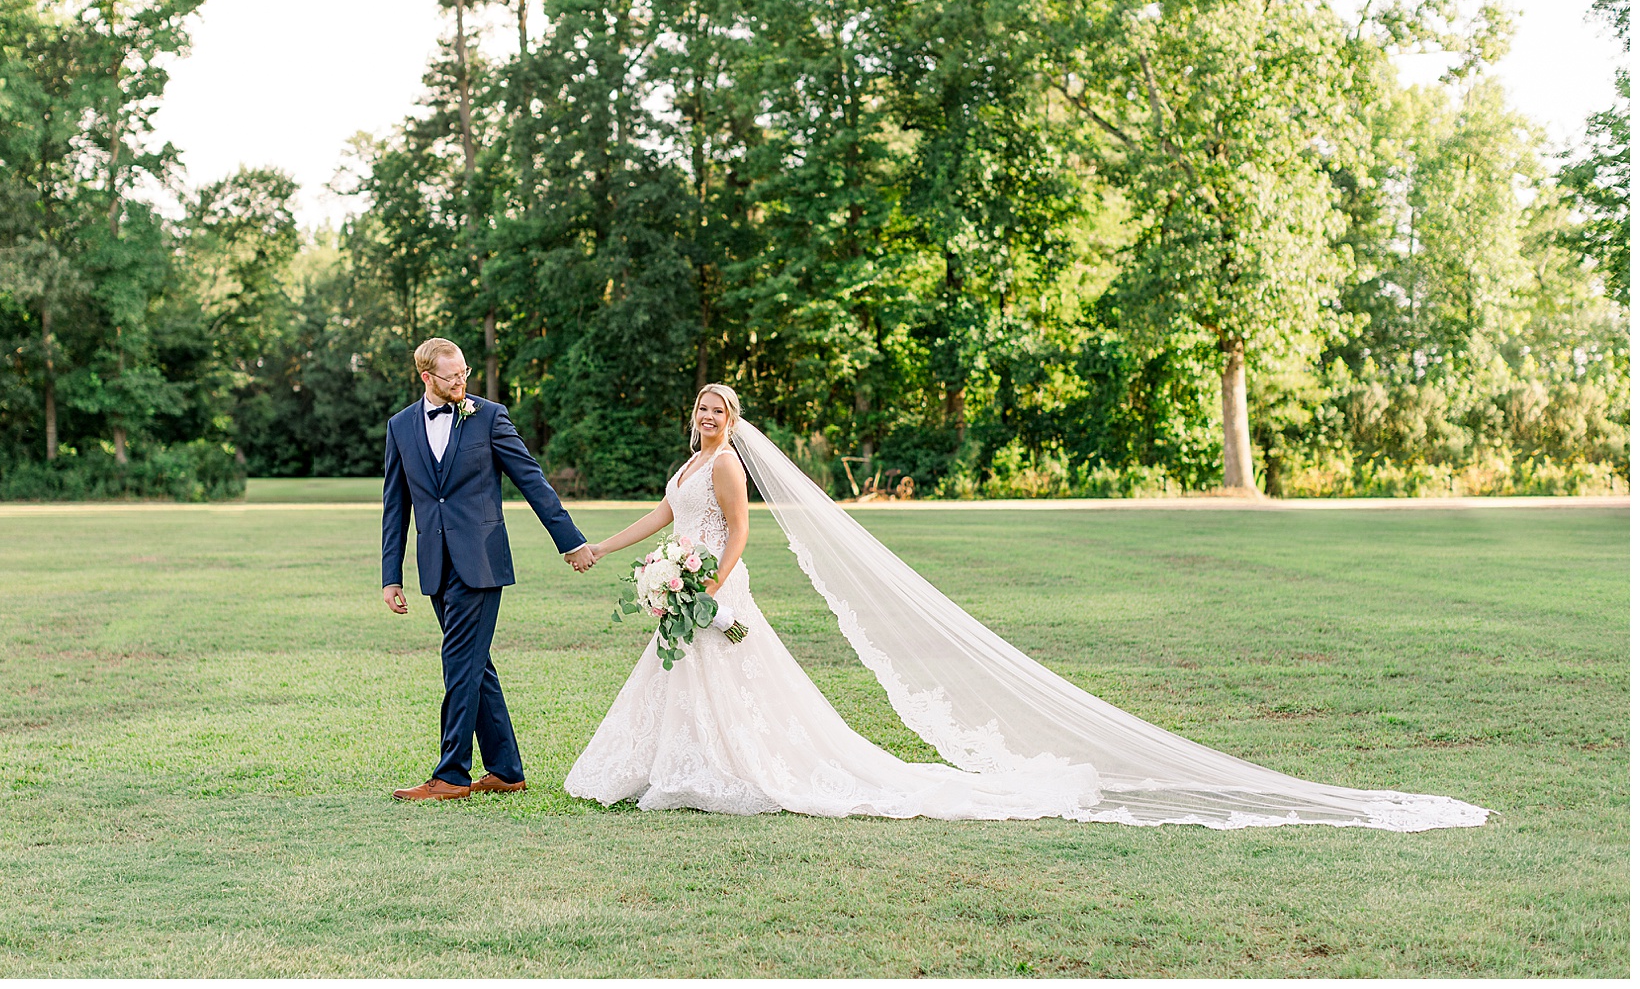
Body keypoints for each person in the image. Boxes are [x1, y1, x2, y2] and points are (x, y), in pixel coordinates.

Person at [565, 384, 1491, 830]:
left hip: (719, 594)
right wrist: (616, 547)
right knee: (677, 681)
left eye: (721, 412)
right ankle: (671, 769)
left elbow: (739, 533)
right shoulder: (687, 462)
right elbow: (665, 514)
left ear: (735, 425)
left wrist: (709, 583)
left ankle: (734, 774)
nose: (710, 420)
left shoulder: (726, 467)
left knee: (744, 687)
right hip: (682, 591)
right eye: (702, 410)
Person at [381, 337, 598, 802]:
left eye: (464, 373)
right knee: (475, 666)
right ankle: (505, 770)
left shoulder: (490, 416)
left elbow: (532, 479)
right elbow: (395, 505)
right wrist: (390, 575)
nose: (461, 382)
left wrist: (571, 540)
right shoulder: (400, 427)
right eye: (451, 376)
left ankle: (452, 774)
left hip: (481, 562)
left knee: (458, 662)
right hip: (435, 565)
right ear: (427, 378)